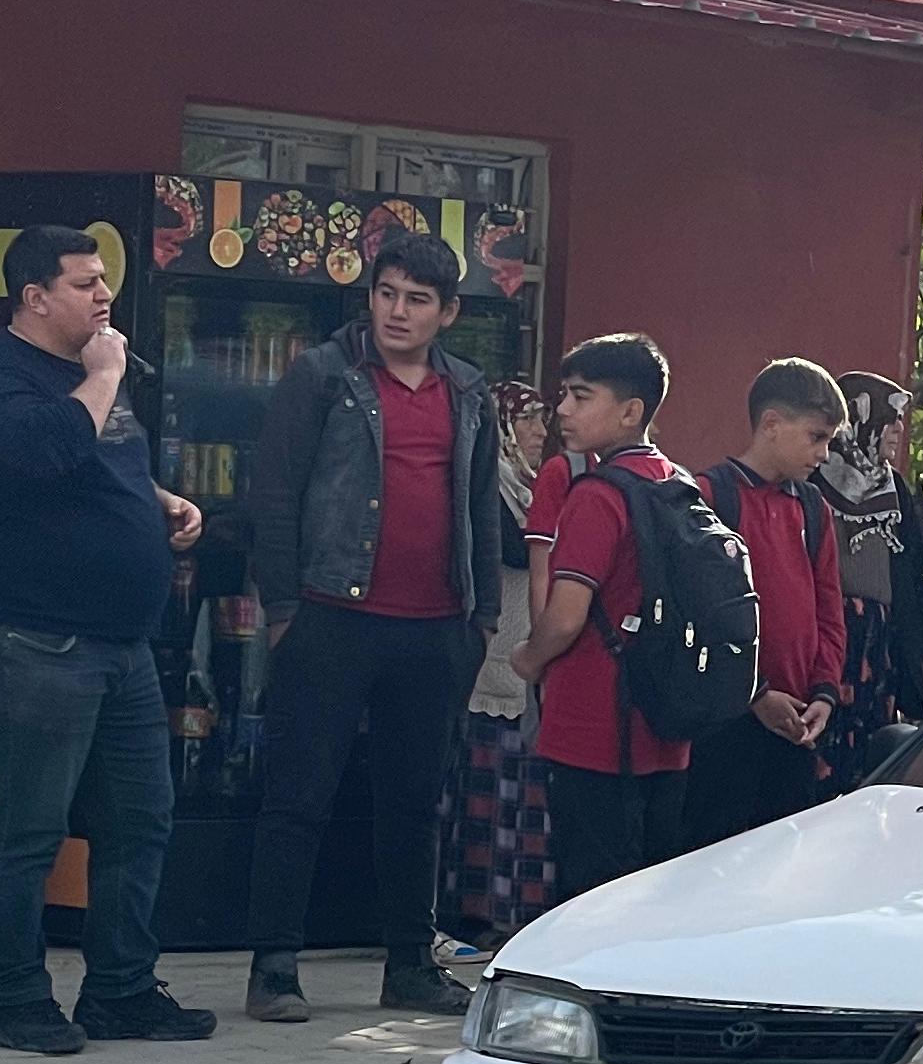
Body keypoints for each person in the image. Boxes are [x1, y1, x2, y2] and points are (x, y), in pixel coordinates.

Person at [0, 225, 209, 1055]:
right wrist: (102, 376)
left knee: (140, 819)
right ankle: (16, 1000)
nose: (104, 298)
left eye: (104, 282)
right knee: (30, 826)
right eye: (86, 284)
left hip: (121, 642)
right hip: (33, 638)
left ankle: (122, 990)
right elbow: (54, 453)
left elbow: (101, 460)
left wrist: (157, 499)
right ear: (34, 298)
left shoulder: (91, 377)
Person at [239, 230, 498, 1024]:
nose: (397, 311)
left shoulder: (467, 390)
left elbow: (481, 507)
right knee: (299, 797)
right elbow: (274, 494)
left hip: (434, 628)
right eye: (387, 294)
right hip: (331, 616)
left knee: (415, 804)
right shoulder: (323, 375)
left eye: (417, 300)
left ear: (447, 313)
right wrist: (285, 610)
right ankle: (275, 968)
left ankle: (410, 965)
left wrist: (481, 616)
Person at [511, 334, 701, 898]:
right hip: (667, 719)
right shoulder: (679, 484)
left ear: (630, 412)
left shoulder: (598, 494)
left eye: (580, 396)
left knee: (589, 899)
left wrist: (528, 659)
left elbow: (566, 615)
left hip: (594, 725)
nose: (563, 410)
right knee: (649, 897)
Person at [682, 357, 852, 850]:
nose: (823, 454)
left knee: (783, 867)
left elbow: (829, 611)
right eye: (816, 436)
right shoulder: (708, 496)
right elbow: (697, 616)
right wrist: (755, 695)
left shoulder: (815, 509)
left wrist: (824, 693)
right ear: (772, 424)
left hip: (797, 723)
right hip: (724, 725)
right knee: (709, 862)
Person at [441, 376, 554, 950]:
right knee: (483, 790)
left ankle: (517, 907)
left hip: (525, 661)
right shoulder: (490, 490)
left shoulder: (535, 488)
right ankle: (474, 913)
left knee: (522, 790)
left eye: (542, 419)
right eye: (528, 419)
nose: (540, 431)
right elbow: (512, 548)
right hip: (490, 661)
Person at [819, 370, 923, 776]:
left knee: (872, 756)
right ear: (860, 418)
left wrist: (913, 676)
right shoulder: (816, 480)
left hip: (879, 645)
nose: (899, 429)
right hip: (831, 639)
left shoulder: (895, 490)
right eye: (890, 418)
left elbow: (912, 583)